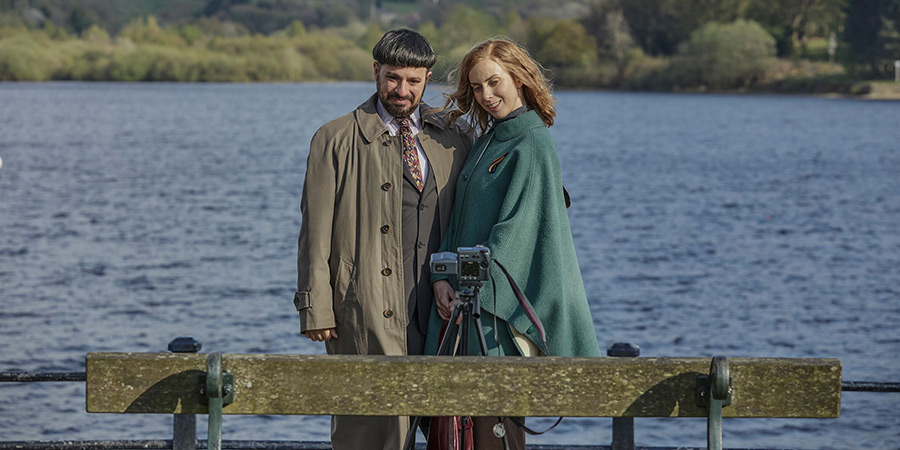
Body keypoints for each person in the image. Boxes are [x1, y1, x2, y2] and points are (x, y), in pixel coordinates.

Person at [294, 29, 472, 450]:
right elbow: (314, 233)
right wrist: (316, 309)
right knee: (373, 433)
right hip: (365, 307)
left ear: (427, 78)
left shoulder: (454, 134)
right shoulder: (334, 139)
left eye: (414, 80)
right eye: (393, 78)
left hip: (441, 310)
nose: (402, 90)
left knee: (450, 431)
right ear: (376, 71)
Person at [425, 38, 602, 449]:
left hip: (496, 314)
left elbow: (515, 237)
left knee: (493, 435)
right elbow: (458, 222)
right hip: (465, 304)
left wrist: (468, 290)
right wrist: (441, 278)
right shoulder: (490, 139)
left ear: (519, 78)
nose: (486, 96)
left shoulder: (533, 142)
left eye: (494, 82)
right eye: (476, 87)